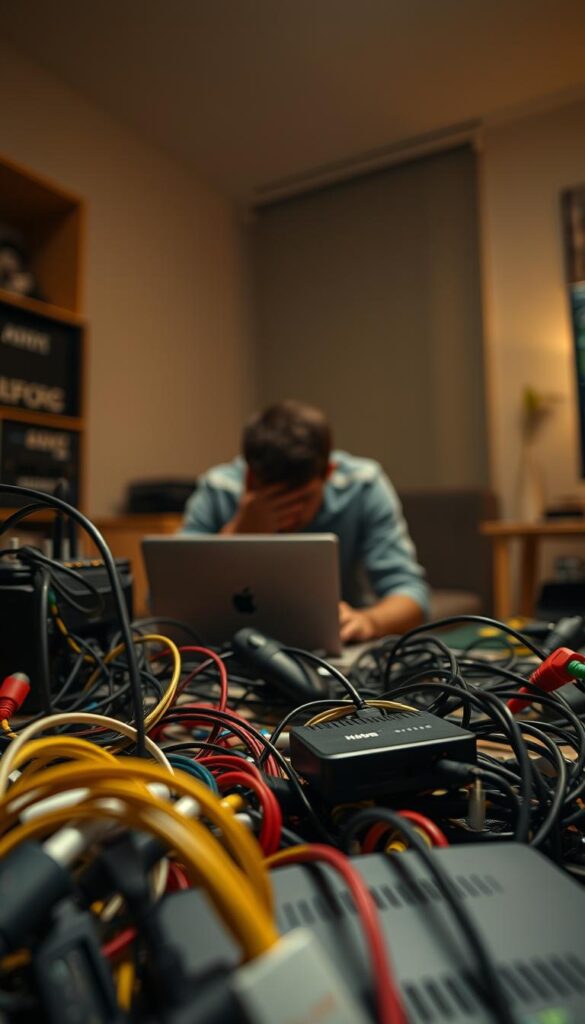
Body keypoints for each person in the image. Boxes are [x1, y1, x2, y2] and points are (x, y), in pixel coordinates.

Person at [182, 400, 429, 642]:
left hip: (336, 650)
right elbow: (165, 602)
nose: (290, 516)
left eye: (303, 499)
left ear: (328, 473)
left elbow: (411, 595)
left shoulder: (363, 486)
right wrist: (236, 535)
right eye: (276, 501)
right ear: (250, 480)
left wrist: (369, 621)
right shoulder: (219, 489)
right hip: (229, 649)